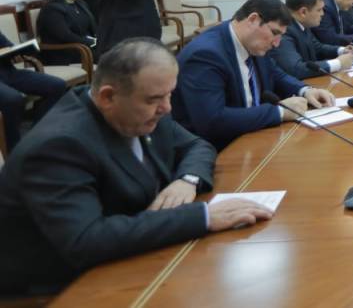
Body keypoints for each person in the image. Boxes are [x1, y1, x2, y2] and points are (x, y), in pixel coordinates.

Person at [0, 39, 273, 295]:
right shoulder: (59, 145)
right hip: (64, 284)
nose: (167, 108)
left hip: (132, 250)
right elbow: (86, 240)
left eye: (169, 95)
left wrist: (187, 180)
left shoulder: (140, 106)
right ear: (108, 97)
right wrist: (203, 217)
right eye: (155, 99)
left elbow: (197, 146)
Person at [172, 0, 336, 150]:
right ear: (253, 19)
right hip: (219, 148)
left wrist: (305, 90)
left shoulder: (251, 43)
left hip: (254, 135)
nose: (277, 44)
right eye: (275, 33)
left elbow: (275, 74)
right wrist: (279, 112)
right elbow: (213, 120)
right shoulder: (206, 55)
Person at [271, 0, 353, 80]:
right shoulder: (284, 30)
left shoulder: (302, 24)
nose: (322, 14)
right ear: (303, 12)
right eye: (319, 10)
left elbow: (318, 48)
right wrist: (338, 63)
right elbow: (295, 69)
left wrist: (342, 50)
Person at [0, 32, 66, 151]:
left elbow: (9, 47)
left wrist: (16, 53)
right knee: (13, 99)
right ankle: (13, 147)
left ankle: (36, 135)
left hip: (9, 72)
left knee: (57, 85)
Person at [36, 0, 98, 65]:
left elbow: (91, 28)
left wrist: (99, 40)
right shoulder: (52, 9)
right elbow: (66, 36)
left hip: (83, 47)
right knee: (109, 57)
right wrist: (92, 42)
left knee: (112, 50)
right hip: (64, 52)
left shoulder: (80, 4)